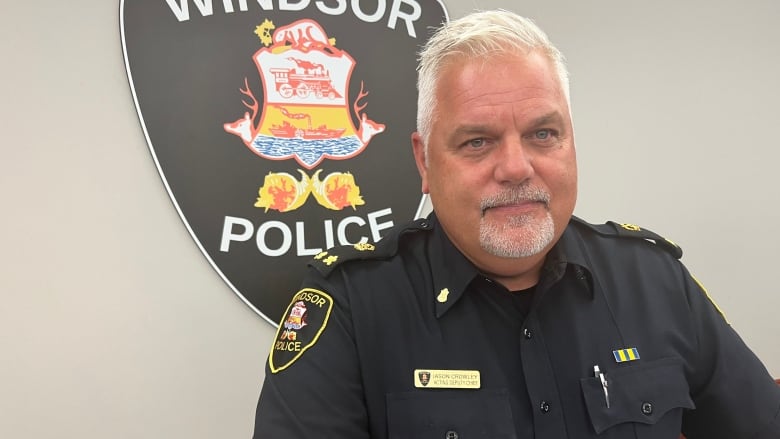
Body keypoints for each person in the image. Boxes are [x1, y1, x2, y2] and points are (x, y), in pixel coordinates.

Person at [253, 9, 780, 438]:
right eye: (477, 141)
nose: (516, 168)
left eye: (543, 134)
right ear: (424, 163)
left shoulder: (655, 282)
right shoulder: (351, 307)